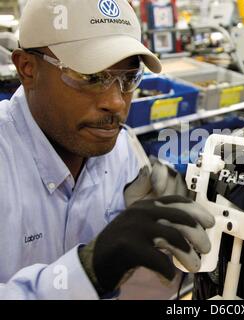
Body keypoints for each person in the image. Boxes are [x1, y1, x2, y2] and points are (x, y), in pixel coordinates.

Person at [0, 0, 214, 299]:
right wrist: (88, 270)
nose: (116, 102)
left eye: (128, 79)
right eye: (90, 77)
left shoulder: (123, 151)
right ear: (27, 68)